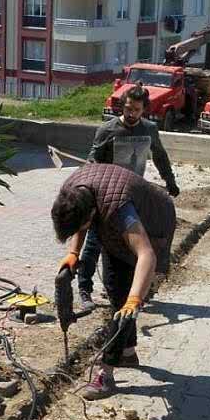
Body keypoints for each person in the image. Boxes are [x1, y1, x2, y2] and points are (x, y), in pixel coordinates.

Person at [52, 163, 176, 399]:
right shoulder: (73, 192)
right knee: (115, 289)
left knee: (124, 306)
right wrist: (73, 253)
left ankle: (105, 375)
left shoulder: (120, 210)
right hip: (114, 230)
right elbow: (81, 222)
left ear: (91, 215)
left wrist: (135, 299)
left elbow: (146, 254)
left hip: (153, 222)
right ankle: (127, 352)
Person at [78, 84, 179, 312]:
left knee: (130, 245)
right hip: (106, 195)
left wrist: (170, 180)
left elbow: (160, 156)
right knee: (94, 242)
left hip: (133, 196)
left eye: (135, 109)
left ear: (144, 109)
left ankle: (124, 289)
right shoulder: (108, 130)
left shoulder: (149, 130)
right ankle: (85, 290)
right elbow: (93, 159)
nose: (130, 113)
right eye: (127, 108)